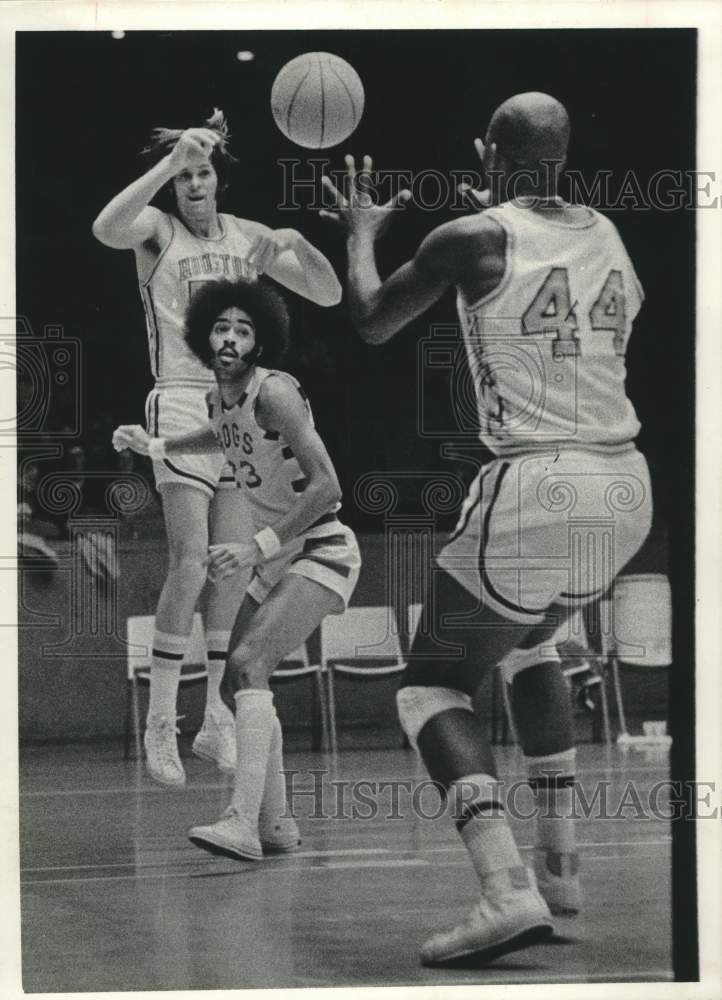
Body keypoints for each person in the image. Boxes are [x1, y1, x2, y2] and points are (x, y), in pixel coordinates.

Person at [321, 92, 652, 965]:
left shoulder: (471, 238)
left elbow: (371, 320)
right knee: (533, 645)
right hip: (624, 491)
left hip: (538, 482)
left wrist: (360, 230)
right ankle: (564, 869)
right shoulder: (609, 234)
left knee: (430, 686)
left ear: (490, 153)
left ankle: (505, 890)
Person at [93, 109, 342, 786]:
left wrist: (297, 239)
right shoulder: (157, 230)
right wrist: (170, 159)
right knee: (190, 559)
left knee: (229, 568)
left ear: (218, 181)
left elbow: (327, 289)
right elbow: (105, 227)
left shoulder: (250, 237)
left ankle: (214, 718)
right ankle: (161, 719)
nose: (193, 185)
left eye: (202, 173)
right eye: (184, 176)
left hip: (238, 405)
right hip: (178, 397)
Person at [113, 276, 361, 858]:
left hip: (321, 549)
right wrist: (154, 446)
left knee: (248, 662)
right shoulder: (216, 397)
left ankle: (242, 822)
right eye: (221, 327)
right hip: (279, 557)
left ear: (259, 341)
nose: (230, 338)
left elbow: (328, 486)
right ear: (203, 335)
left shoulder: (274, 392)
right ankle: (276, 824)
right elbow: (220, 435)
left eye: (243, 330)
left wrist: (258, 545)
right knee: (234, 677)